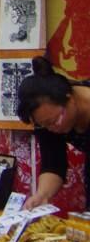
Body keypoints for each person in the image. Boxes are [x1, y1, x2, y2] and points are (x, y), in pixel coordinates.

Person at [19, 58, 90, 208]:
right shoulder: (46, 117)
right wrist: (42, 195)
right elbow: (53, 162)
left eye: (53, 121)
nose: (52, 128)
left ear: (69, 99)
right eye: (43, 125)